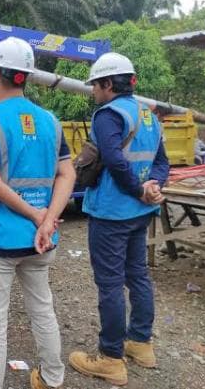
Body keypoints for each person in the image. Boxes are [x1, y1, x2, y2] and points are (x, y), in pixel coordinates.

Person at [0, 37, 76, 389]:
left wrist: (36, 216)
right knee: (42, 308)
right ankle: (52, 378)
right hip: (42, 240)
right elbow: (67, 174)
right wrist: (47, 220)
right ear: (25, 77)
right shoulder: (50, 120)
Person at [69, 52, 169, 386]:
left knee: (110, 284)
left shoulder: (108, 114)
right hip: (140, 213)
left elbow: (112, 158)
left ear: (108, 84)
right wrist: (153, 186)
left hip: (112, 212)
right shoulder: (148, 114)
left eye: (95, 86)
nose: (93, 92)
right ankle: (140, 343)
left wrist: (140, 189)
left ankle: (111, 357)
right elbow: (162, 161)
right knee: (137, 275)